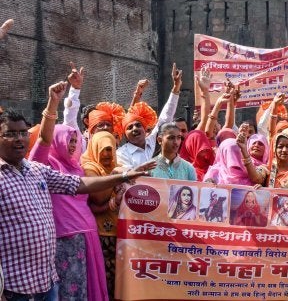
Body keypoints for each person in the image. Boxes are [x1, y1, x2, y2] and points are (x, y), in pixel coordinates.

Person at [0, 109, 150, 299]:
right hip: (15, 286)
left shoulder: (37, 170)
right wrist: (55, 102)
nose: (19, 139)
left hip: (46, 280)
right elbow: (45, 141)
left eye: (23, 133)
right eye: (10, 134)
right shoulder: (39, 164)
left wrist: (124, 176)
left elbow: (79, 184)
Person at [27, 81, 108, 300]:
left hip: (87, 233)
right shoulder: (44, 165)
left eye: (75, 141)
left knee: (87, 288)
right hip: (65, 237)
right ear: (58, 141)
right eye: (68, 140)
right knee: (69, 291)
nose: (73, 145)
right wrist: (55, 102)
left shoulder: (77, 167)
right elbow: (44, 139)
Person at [117, 64, 182, 168]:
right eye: (130, 127)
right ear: (125, 134)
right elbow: (129, 177)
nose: (135, 129)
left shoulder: (153, 141)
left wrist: (176, 87)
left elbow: (166, 116)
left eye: (138, 125)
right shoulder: (121, 153)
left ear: (145, 128)